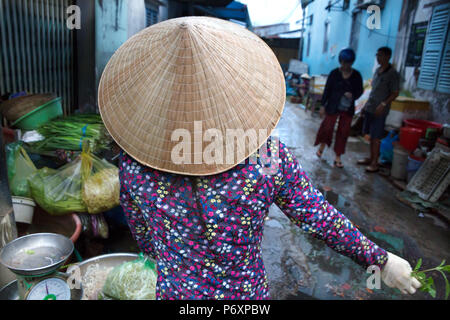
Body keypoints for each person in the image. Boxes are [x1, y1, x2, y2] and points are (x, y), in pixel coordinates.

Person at [98, 17, 420, 300]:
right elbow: (320, 218)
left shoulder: (133, 167)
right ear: (232, 91)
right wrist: (380, 260)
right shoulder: (268, 158)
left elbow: (146, 242)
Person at [314, 48, 364, 168]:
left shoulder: (356, 75)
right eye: (344, 62)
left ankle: (338, 157)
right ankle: (322, 146)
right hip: (332, 106)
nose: (346, 65)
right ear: (340, 61)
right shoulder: (334, 74)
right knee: (327, 128)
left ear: (352, 62)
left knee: (343, 132)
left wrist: (353, 95)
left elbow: (359, 91)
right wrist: (322, 106)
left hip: (347, 108)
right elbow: (327, 91)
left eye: (348, 63)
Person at [358, 47, 400, 172]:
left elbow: (395, 93)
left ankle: (375, 163)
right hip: (371, 107)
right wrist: (365, 106)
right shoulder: (377, 71)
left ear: (388, 56)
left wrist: (383, 104)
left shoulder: (392, 74)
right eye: (377, 55)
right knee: (370, 134)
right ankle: (371, 158)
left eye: (381, 55)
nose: (378, 58)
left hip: (380, 110)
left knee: (376, 137)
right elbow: (373, 91)